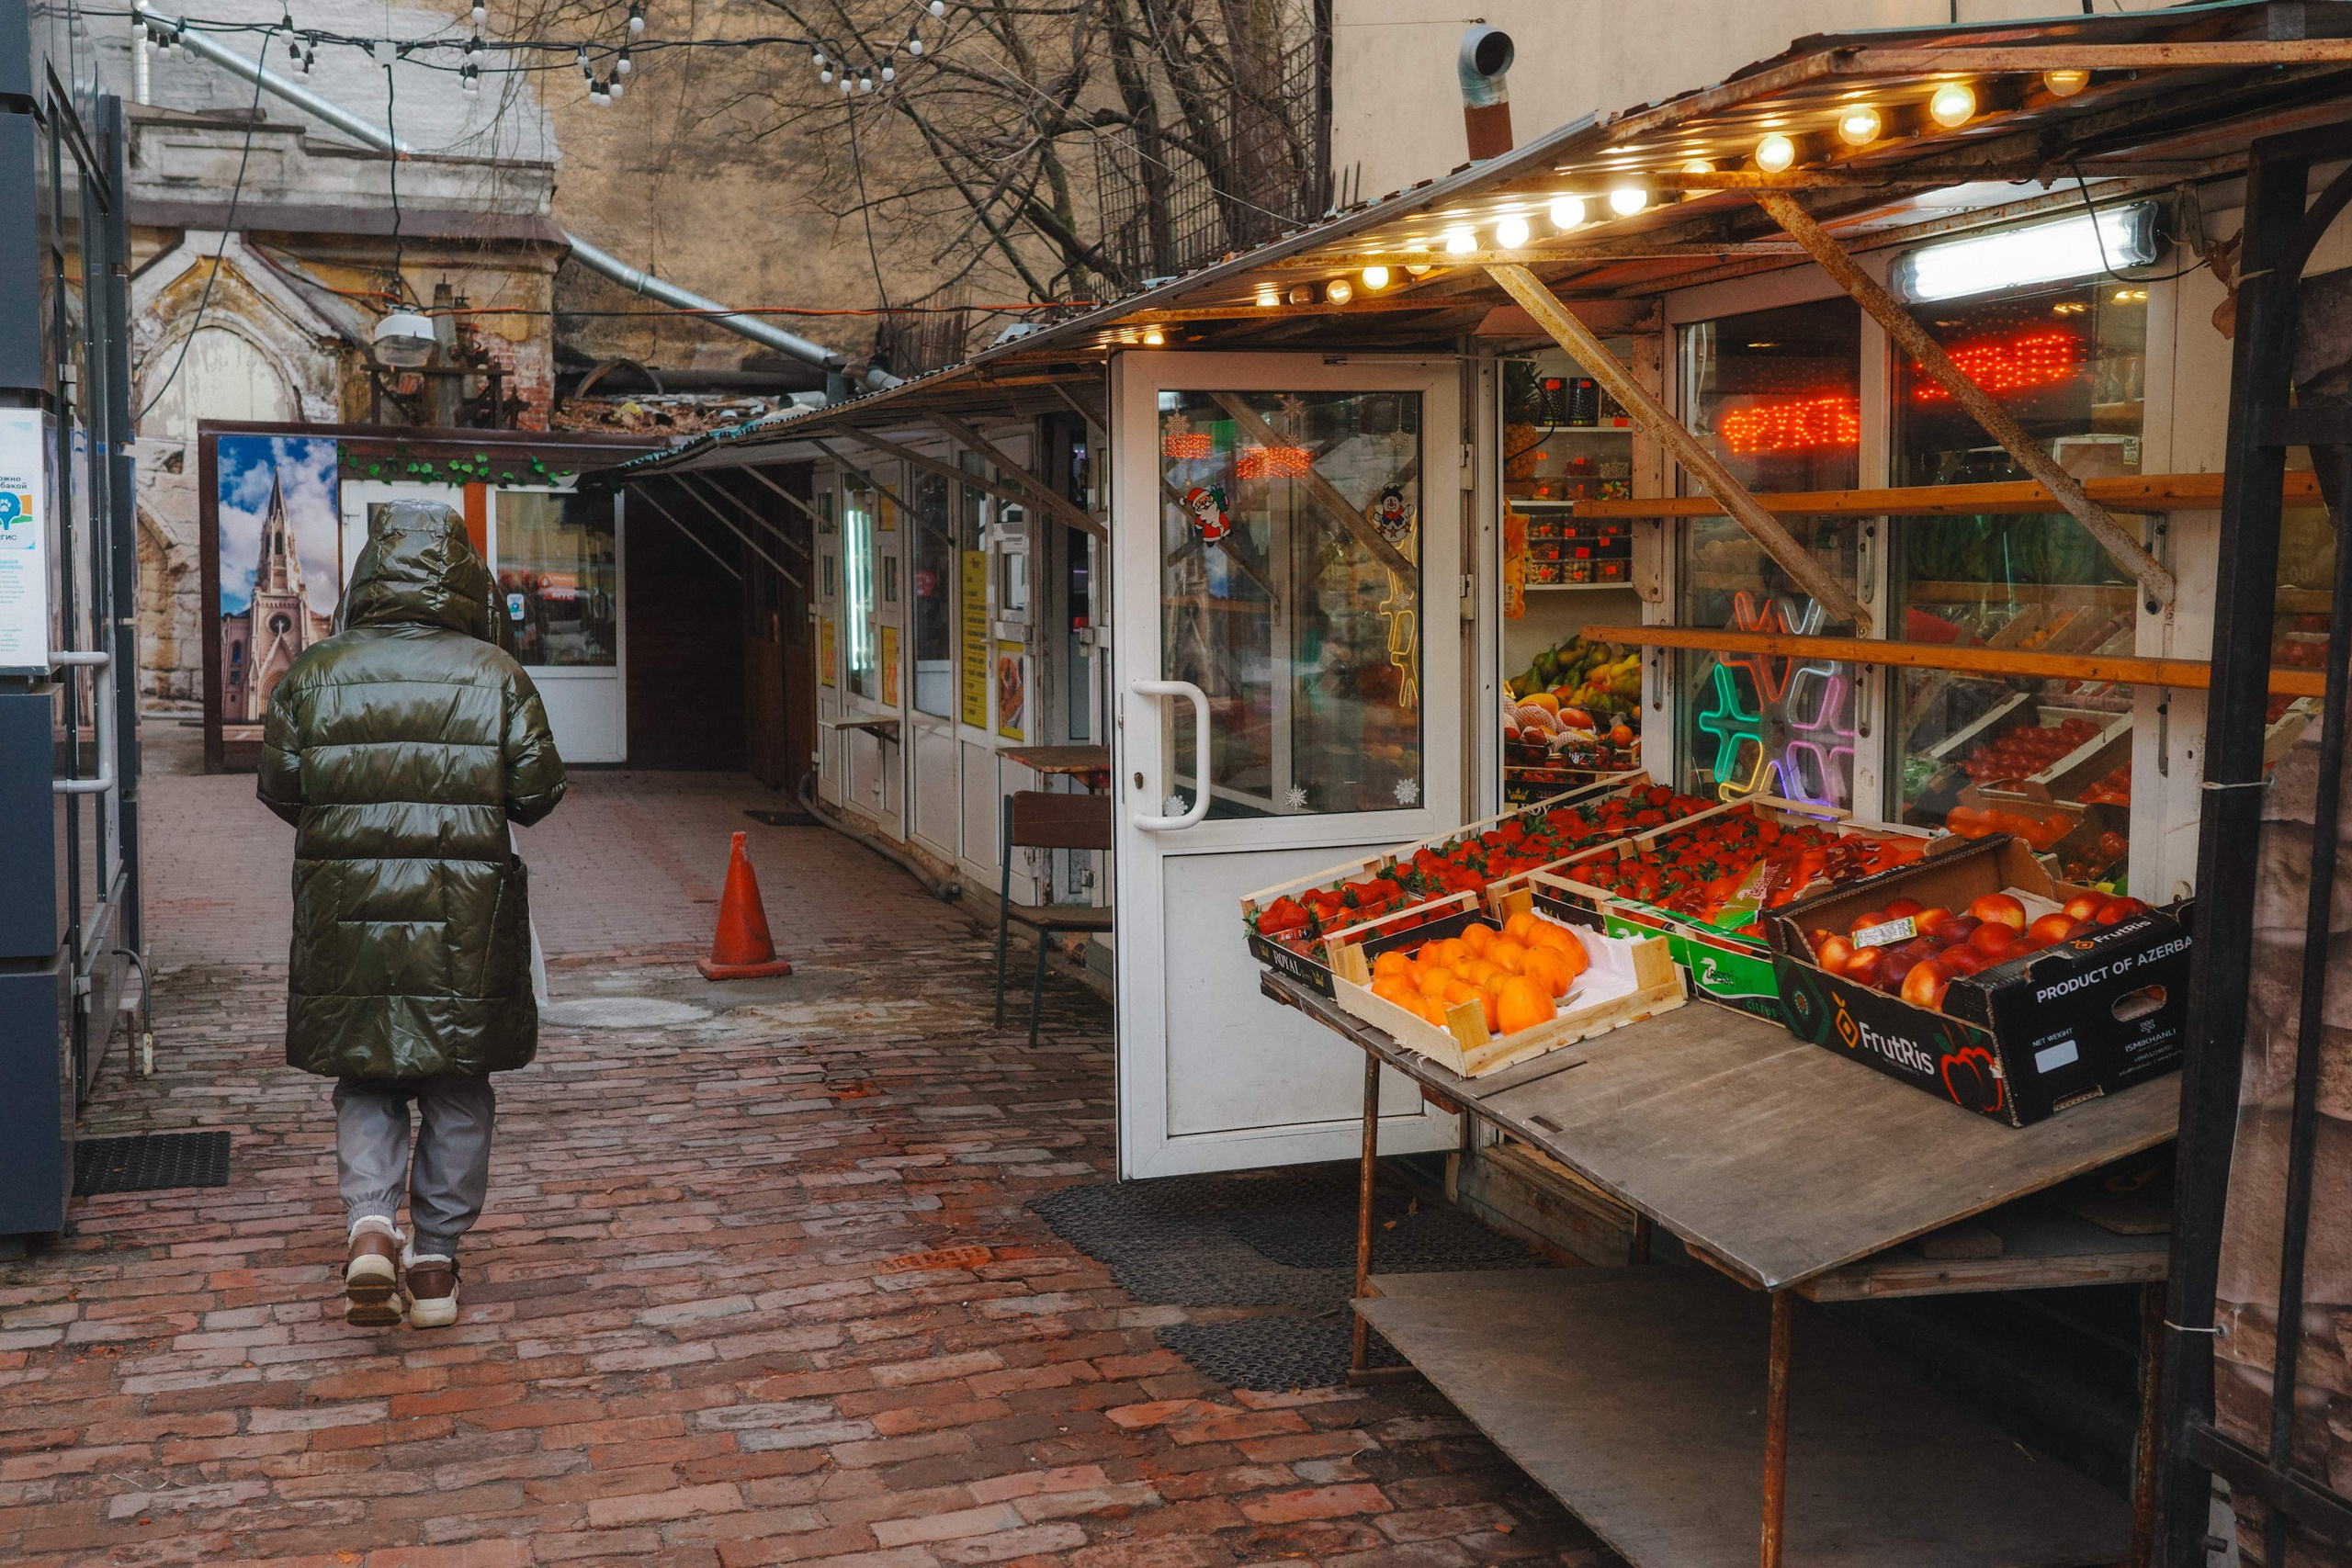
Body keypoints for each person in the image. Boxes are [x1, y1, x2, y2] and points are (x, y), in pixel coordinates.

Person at [258, 500, 566, 1328]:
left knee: (367, 1073)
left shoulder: (315, 672)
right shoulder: (497, 675)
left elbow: (282, 789)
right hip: (465, 920)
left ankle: (368, 1226)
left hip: (347, 913)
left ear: (370, 575)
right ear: (462, 579)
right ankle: (433, 1262)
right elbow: (537, 795)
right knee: (461, 1082)